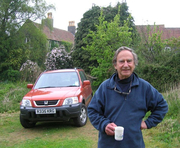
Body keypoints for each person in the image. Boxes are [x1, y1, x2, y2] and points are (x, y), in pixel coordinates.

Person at [87, 46, 168, 148]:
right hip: (108, 144)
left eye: (129, 61)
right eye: (121, 61)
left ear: (134, 64)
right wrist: (104, 125)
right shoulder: (105, 87)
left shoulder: (144, 87)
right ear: (115, 65)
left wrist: (148, 123)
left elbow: (162, 106)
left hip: (134, 144)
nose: (126, 65)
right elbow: (92, 111)